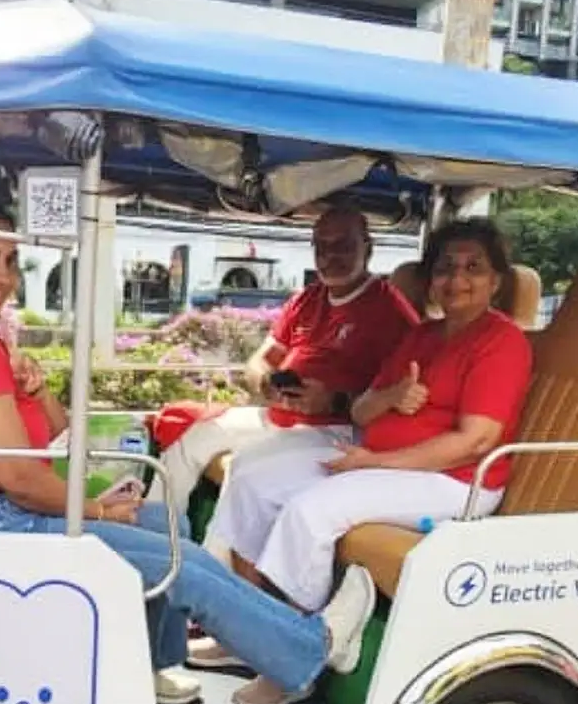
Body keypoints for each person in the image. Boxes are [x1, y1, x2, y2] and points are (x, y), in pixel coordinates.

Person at [0, 190, 378, 704]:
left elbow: (58, 432)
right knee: (181, 562)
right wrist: (98, 511)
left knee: (168, 521)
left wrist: (35, 388)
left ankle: (147, 665)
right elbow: (21, 480)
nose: (2, 276)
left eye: (10, 260)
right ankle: (311, 649)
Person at [208, 217, 535, 704]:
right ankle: (249, 633)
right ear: (431, 280)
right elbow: (361, 410)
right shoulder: (423, 336)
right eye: (445, 268)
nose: (457, 279)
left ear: (496, 281)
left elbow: (476, 442)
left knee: (310, 511)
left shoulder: (501, 341)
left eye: (474, 268)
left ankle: (293, 664)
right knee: (252, 475)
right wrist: (393, 396)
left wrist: (375, 463)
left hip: (454, 481)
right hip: (380, 456)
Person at [145, 206, 419, 536]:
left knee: (245, 471)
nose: (329, 256)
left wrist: (333, 401)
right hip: (278, 417)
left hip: (335, 432)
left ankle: (212, 564)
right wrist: (265, 382)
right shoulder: (306, 300)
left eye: (342, 245)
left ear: (368, 248)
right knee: (188, 443)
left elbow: (398, 399)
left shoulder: (391, 312)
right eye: (321, 246)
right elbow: (259, 362)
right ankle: (154, 540)